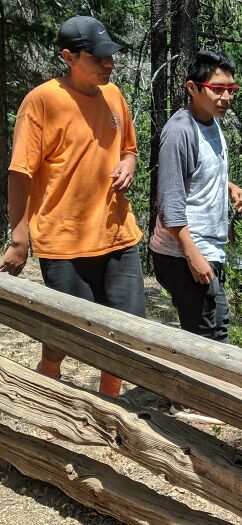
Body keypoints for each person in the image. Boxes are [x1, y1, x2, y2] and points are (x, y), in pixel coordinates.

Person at [0, 16, 145, 398]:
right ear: (69, 56)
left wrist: (128, 163)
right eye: (98, 58)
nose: (108, 64)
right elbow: (21, 173)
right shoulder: (43, 101)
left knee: (124, 333)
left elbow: (129, 147)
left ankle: (110, 408)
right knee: (69, 330)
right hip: (64, 241)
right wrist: (19, 238)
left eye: (111, 56)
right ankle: (47, 380)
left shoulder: (114, 96)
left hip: (118, 235)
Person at [149, 50, 242, 422]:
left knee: (208, 322)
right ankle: (187, 400)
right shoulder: (179, 131)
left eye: (231, 89)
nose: (226, 97)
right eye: (217, 89)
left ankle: (195, 395)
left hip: (207, 246)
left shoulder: (211, 122)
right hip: (183, 251)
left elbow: (202, 173)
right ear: (193, 88)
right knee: (209, 323)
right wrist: (192, 254)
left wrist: (230, 187)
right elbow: (171, 201)